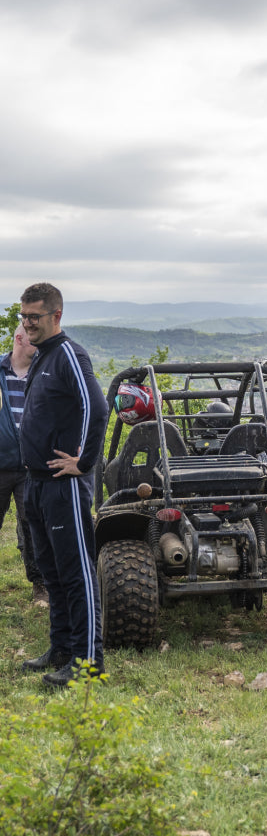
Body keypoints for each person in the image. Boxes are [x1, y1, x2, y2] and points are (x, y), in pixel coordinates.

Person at [17, 283, 109, 686]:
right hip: (36, 484)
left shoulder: (70, 354)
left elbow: (97, 407)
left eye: (34, 317)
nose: (27, 324)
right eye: (24, 317)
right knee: (52, 572)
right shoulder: (43, 357)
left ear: (56, 315)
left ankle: (88, 662)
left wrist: (84, 462)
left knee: (76, 573)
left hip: (63, 484)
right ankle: (61, 647)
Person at [0, 324, 48, 606]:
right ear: (19, 338)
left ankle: (40, 585)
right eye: (34, 339)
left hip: (32, 466)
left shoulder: (43, 375)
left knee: (33, 526)